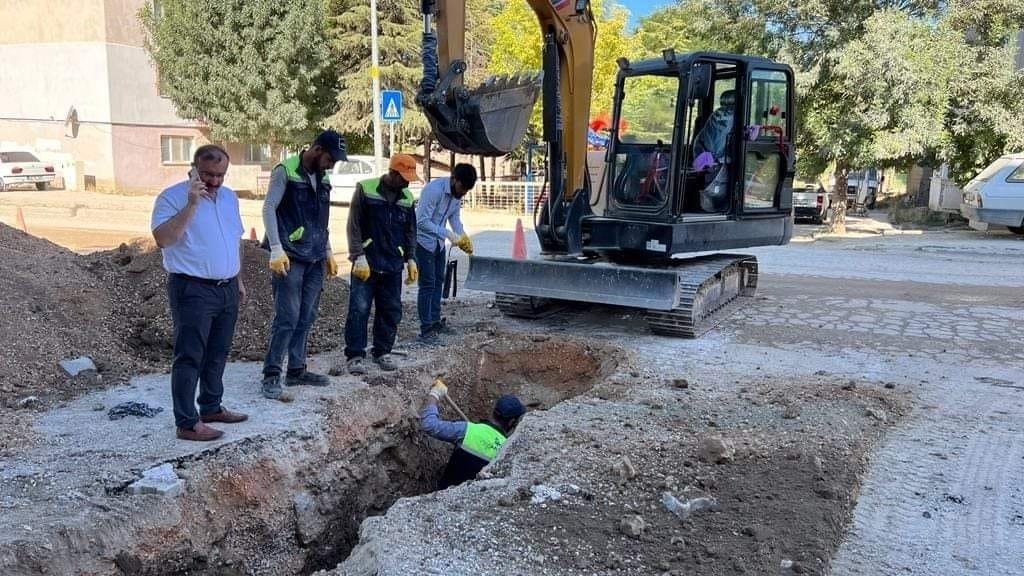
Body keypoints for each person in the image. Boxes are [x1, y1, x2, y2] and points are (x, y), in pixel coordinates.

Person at [151, 144, 248, 442]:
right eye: (208, 174)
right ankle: (187, 422)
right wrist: (192, 204)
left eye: (221, 175)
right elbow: (164, 239)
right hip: (192, 289)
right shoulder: (172, 197)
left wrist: (239, 278)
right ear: (193, 169)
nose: (215, 181)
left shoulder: (229, 198)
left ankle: (211, 406)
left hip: (227, 288)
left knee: (218, 352)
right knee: (190, 355)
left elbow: (235, 240)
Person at [259, 130, 347, 400]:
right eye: (331, 158)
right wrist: (275, 247)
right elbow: (268, 208)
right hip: (290, 256)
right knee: (287, 316)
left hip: (315, 256)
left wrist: (329, 251)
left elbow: (321, 219)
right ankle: (272, 374)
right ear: (317, 149)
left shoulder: (323, 177)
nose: (333, 164)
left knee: (307, 315)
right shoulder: (285, 171)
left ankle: (296, 370)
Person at [343, 154, 420, 375]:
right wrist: (358, 255)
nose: (408, 182)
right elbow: (354, 225)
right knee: (359, 309)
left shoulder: (406, 198)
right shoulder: (366, 190)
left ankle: (383, 351)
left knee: (390, 310)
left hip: (392, 264)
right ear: (393, 173)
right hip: (366, 263)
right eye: (404, 177)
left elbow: (410, 231)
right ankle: (355, 355)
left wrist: (411, 257)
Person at [420, 381, 526, 489]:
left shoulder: (467, 430)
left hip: (442, 496)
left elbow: (429, 425)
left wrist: (435, 394)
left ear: (494, 410)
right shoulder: (507, 451)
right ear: (512, 421)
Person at [414, 163, 476, 345]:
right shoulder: (433, 191)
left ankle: (435, 320)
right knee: (427, 284)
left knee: (439, 281)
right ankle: (426, 328)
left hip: (439, 244)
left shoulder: (457, 195)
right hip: (423, 242)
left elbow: (454, 217)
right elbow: (421, 222)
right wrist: (448, 234)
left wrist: (462, 235)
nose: (462, 193)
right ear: (454, 179)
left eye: (466, 191)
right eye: (462, 188)